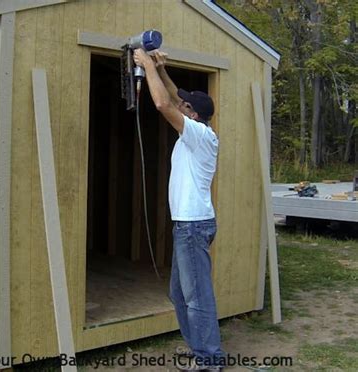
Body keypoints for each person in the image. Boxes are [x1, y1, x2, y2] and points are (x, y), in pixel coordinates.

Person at [133, 48, 223, 371]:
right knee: (179, 293)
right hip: (187, 225)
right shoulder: (197, 129)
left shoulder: (199, 135)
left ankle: (209, 361)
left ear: (194, 115)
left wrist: (145, 65)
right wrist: (161, 69)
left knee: (197, 297)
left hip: (193, 226)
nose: (179, 103)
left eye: (185, 105)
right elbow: (172, 95)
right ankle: (200, 348)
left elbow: (162, 103)